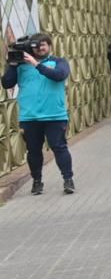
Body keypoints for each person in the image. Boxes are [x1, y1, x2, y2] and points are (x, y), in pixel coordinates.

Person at [2, 33, 75, 195]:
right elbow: (6, 83)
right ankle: (37, 181)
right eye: (36, 45)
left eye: (43, 44)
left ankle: (68, 180)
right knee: (33, 151)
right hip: (29, 117)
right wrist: (13, 65)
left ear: (49, 46)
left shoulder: (58, 62)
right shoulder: (22, 65)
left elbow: (59, 76)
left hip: (54, 116)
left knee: (59, 148)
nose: (39, 48)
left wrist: (36, 64)